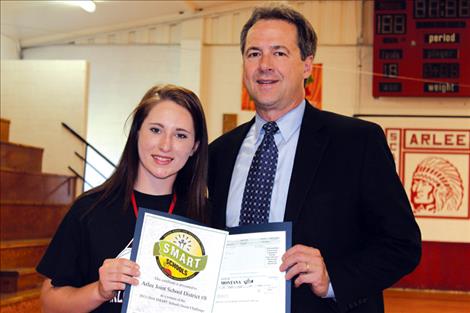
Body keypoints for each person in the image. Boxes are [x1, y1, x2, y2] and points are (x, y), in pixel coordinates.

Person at [208, 4, 421, 313]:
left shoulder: (357, 142)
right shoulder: (219, 153)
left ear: (307, 65)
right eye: (254, 53)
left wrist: (332, 279)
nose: (264, 65)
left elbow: (402, 245)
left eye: (279, 53)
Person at [37, 84, 209, 313]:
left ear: (195, 146)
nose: (165, 145)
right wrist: (99, 290)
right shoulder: (89, 209)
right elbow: (49, 303)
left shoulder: (207, 216)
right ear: (137, 132)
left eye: (180, 135)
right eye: (156, 130)